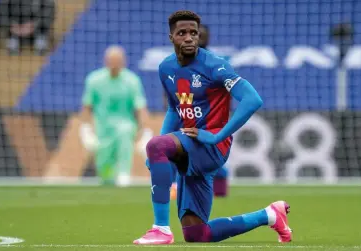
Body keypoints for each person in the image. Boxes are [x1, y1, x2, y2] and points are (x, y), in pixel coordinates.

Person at [133, 11, 292, 244]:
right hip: (190, 148)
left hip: (210, 147)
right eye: (182, 33)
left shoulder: (215, 65)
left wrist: (218, 135)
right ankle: (270, 215)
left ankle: (161, 229)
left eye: (193, 33)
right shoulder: (166, 68)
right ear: (171, 37)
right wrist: (161, 150)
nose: (189, 38)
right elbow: (173, 109)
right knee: (196, 234)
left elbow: (252, 99)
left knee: (156, 145)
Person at [170, 23, 230, 199]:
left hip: (210, 116)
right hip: (186, 113)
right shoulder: (177, 62)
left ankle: (220, 192)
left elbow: (226, 90)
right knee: (180, 151)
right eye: (198, 34)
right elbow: (171, 87)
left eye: (203, 34)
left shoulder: (216, 62)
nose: (200, 37)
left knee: (211, 153)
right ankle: (177, 187)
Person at [79, 46, 152, 187]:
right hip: (102, 128)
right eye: (111, 60)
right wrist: (85, 129)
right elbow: (87, 106)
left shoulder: (132, 80)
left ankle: (124, 174)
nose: (114, 64)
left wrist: (145, 131)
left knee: (124, 133)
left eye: (118, 60)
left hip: (125, 124)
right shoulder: (94, 80)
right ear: (105, 61)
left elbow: (140, 108)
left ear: (124, 61)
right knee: (105, 172)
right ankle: (107, 180)